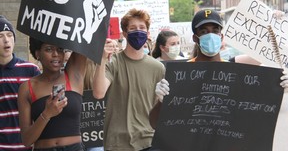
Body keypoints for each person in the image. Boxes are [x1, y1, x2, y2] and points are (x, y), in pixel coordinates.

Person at [149, 9, 288, 129]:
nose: (210, 36)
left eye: (215, 31)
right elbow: (155, 124)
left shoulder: (234, 73)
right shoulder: (180, 74)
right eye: (204, 31)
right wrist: (161, 101)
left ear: (221, 36)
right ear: (195, 38)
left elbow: (259, 111)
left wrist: (278, 87)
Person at [92, 8, 165, 151]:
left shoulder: (158, 67)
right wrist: (101, 59)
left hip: (148, 140)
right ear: (124, 34)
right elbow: (98, 93)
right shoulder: (113, 62)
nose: (138, 31)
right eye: (132, 28)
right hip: (118, 143)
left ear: (148, 33)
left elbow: (159, 108)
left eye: (142, 28)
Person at [17, 37, 87, 150]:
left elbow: (85, 38)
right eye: (49, 49)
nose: (56, 54)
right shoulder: (27, 88)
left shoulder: (74, 75)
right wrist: (46, 114)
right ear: (37, 53)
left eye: (60, 49)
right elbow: (26, 140)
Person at [0, 15, 41, 150]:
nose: (6, 40)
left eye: (9, 35)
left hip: (28, 145)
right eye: (0, 36)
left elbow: (41, 107)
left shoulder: (30, 70)